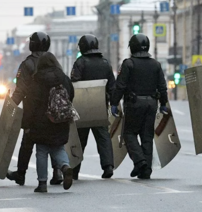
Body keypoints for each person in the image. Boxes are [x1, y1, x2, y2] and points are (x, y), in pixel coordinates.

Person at [7, 32, 61, 186]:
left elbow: (20, 89)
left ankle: (21, 174)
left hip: (33, 109)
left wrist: (10, 106)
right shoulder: (53, 61)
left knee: (27, 142)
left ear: (32, 44)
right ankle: (57, 171)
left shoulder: (27, 64)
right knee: (53, 140)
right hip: (53, 109)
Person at [112, 33, 168, 180]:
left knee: (129, 134)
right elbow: (162, 86)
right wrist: (163, 104)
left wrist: (113, 103)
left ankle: (139, 161)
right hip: (151, 104)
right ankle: (146, 170)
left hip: (134, 104)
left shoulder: (128, 63)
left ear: (133, 47)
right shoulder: (155, 64)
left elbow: (120, 86)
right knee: (147, 136)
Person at [27, 52, 75, 193]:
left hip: (41, 120)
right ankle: (65, 167)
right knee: (58, 147)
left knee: (41, 150)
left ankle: (42, 183)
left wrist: (27, 124)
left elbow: (31, 103)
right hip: (60, 119)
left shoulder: (36, 80)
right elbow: (71, 94)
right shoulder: (64, 78)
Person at [70, 34, 116, 180]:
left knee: (80, 139)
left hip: (82, 106)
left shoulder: (80, 62)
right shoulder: (105, 63)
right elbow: (112, 86)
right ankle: (108, 166)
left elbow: (74, 84)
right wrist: (112, 102)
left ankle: (74, 170)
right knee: (103, 137)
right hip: (100, 105)